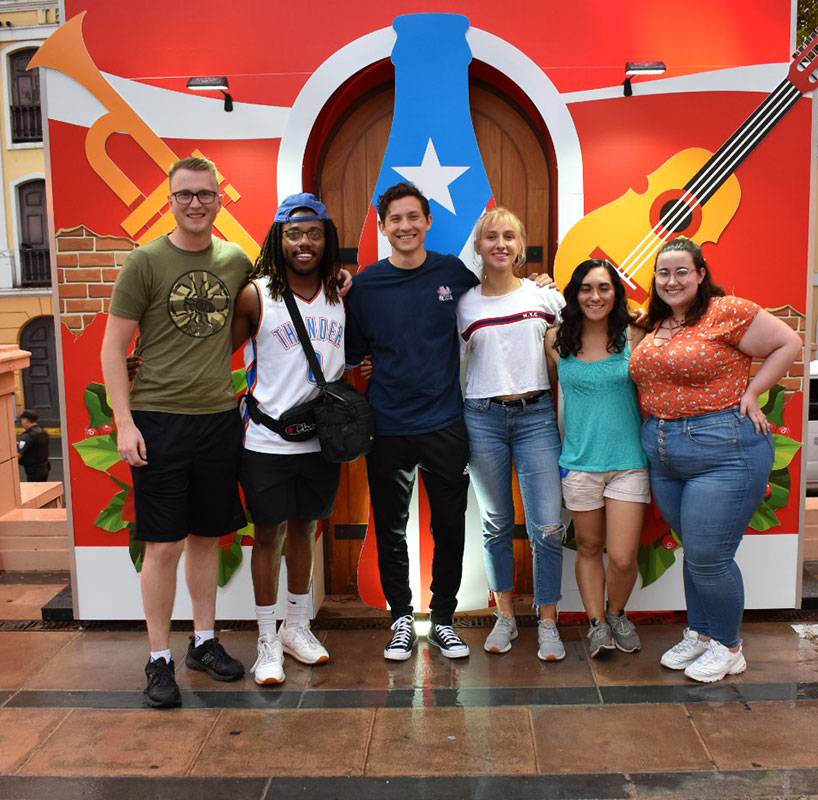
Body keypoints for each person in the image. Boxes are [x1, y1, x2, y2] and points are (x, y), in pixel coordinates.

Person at [101, 155, 252, 708]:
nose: (195, 203)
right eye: (185, 194)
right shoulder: (144, 262)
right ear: (171, 200)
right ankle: (159, 657)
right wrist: (124, 423)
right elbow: (113, 349)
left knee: (208, 537)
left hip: (217, 419)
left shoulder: (236, 261)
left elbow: (258, 313)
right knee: (163, 546)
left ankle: (204, 642)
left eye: (205, 194)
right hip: (159, 421)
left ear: (219, 199)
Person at [629, 237, 802, 683]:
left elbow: (788, 343)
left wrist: (752, 391)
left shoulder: (726, 311)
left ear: (701, 274)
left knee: (710, 557)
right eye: (664, 272)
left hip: (725, 451)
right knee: (697, 553)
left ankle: (729, 646)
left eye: (682, 271)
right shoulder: (657, 322)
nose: (672, 280)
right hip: (666, 454)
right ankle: (702, 634)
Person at [345, 182, 480, 662]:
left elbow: (495, 299)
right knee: (391, 527)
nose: (405, 226)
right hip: (388, 425)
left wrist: (542, 287)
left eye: (413, 217)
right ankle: (402, 618)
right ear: (383, 228)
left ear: (427, 222)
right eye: (395, 219)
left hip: (445, 422)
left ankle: (443, 620)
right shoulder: (364, 285)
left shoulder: (453, 272)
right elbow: (354, 353)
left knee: (449, 526)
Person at [232, 194, 345, 685]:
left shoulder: (341, 293)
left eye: (314, 233)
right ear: (278, 239)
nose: (304, 242)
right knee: (269, 535)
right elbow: (217, 353)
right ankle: (265, 640)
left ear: (326, 240)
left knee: (307, 531)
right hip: (266, 441)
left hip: (322, 443)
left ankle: (296, 628)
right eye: (294, 233)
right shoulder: (257, 294)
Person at [457, 208, 567, 661]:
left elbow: (574, 353)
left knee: (547, 526)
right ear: (479, 247)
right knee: (496, 524)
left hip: (537, 417)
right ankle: (504, 616)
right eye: (490, 237)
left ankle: (547, 623)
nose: (499, 244)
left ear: (519, 246)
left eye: (508, 236)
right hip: (481, 419)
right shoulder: (464, 304)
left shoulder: (546, 299)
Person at [545, 259, 651, 658]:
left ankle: (617, 612)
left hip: (628, 462)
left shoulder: (636, 333)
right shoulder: (555, 340)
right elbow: (544, 396)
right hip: (579, 463)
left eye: (604, 288)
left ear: (616, 293)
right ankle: (596, 624)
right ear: (574, 294)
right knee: (589, 547)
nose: (595, 296)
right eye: (587, 288)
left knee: (622, 558)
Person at [17, 410, 51, 482]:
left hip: (33, 471)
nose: (22, 422)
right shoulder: (43, 432)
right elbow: (36, 445)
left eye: (22, 420)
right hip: (45, 468)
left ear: (25, 420)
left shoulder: (27, 436)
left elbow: (19, 455)